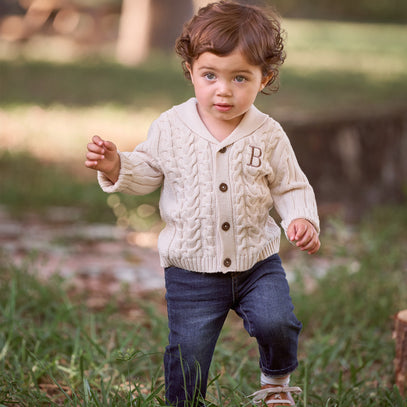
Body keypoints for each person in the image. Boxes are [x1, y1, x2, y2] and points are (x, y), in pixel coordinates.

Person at [85, 1, 320, 405]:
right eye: (210, 75)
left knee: (277, 321)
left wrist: (301, 219)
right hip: (191, 270)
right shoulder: (172, 127)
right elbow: (147, 171)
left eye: (240, 77)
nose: (223, 90)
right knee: (188, 351)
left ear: (265, 78)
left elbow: (290, 185)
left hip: (256, 263)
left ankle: (276, 386)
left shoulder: (268, 133)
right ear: (190, 70)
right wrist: (116, 163)